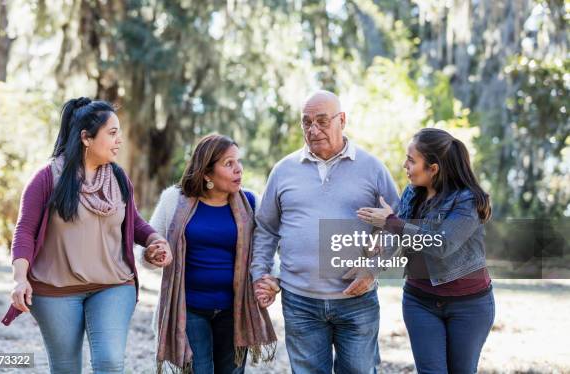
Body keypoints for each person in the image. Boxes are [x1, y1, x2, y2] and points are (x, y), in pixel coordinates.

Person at [1, 97, 173, 374]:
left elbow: (134, 222)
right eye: (112, 133)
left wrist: (154, 240)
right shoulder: (47, 178)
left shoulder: (118, 177)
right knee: (66, 368)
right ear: (86, 138)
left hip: (113, 286)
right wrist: (20, 279)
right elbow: (25, 231)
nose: (119, 140)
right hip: (56, 291)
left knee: (109, 362)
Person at [251, 90, 399, 373]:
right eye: (306, 122)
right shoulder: (283, 170)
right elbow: (266, 229)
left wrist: (373, 268)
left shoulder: (372, 168)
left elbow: (397, 225)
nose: (313, 130)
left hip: (357, 300)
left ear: (341, 120)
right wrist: (261, 274)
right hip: (300, 301)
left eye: (321, 121)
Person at [358, 128, 495, 373]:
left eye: (411, 160)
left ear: (434, 168)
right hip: (420, 301)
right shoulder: (412, 192)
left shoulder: (467, 200)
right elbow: (397, 236)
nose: (404, 165)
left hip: (469, 305)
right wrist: (372, 263)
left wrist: (392, 222)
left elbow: (442, 244)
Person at [139, 134, 276, 373]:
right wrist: (151, 254)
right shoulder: (175, 200)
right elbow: (149, 247)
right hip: (189, 308)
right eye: (228, 163)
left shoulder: (251, 203)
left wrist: (272, 279)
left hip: (235, 310)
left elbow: (265, 249)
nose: (238, 169)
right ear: (207, 174)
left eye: (238, 161)